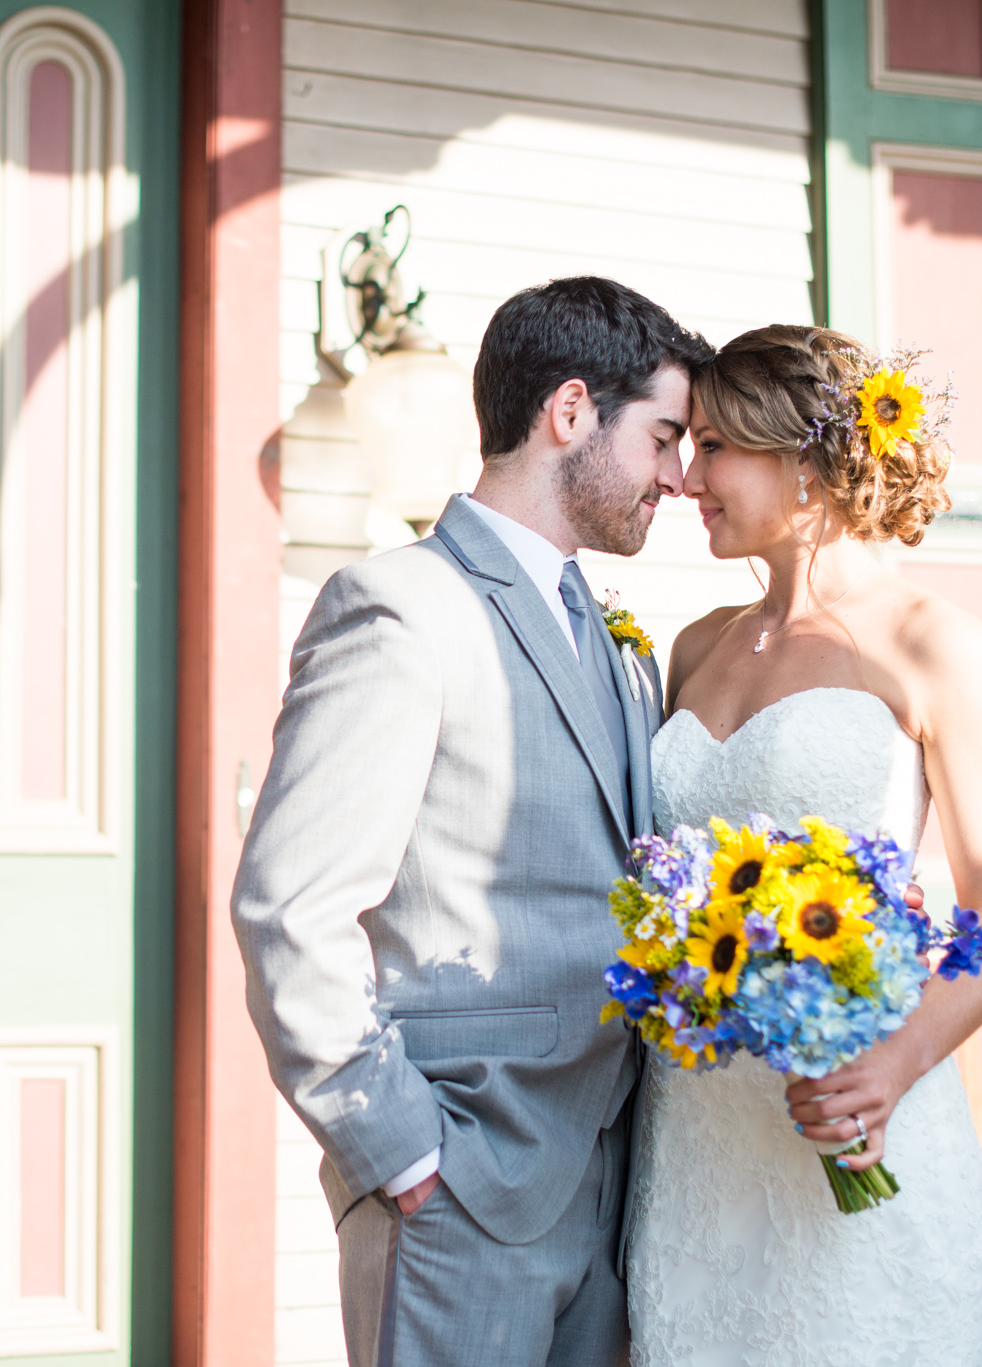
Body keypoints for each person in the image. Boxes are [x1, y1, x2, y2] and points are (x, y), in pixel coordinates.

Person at [232, 276, 711, 1366]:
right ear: (572, 411)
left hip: (612, 1188)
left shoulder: (614, 634)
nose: (678, 478)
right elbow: (289, 909)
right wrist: (398, 1153)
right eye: (664, 437)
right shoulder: (400, 608)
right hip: (456, 1183)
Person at [626, 324, 982, 1366]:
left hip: (855, 1105)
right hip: (696, 1136)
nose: (684, 477)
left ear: (798, 457)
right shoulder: (695, 644)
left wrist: (893, 1063)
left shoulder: (929, 642)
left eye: (712, 446)